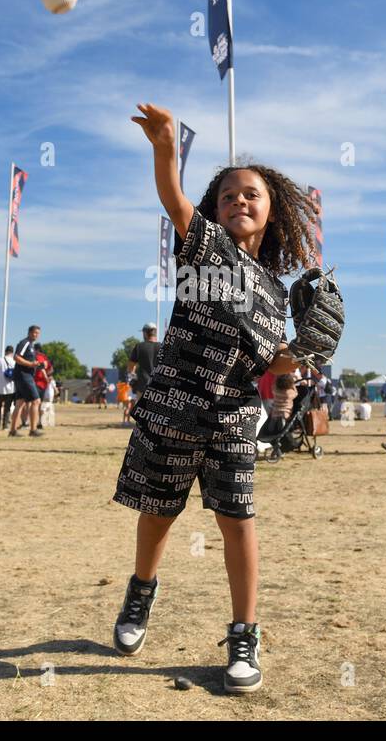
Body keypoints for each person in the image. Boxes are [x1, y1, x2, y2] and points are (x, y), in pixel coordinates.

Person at [112, 102, 318, 695]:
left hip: (230, 418)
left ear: (272, 210)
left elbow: (274, 363)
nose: (239, 201)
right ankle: (140, 595)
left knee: (238, 521)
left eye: (251, 194)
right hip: (175, 405)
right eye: (228, 195)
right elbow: (174, 198)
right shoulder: (204, 247)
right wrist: (164, 149)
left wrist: (302, 357)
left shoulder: (278, 295)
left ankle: (245, 634)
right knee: (158, 511)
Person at [9, 325, 43, 438]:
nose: (36, 335)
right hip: (24, 376)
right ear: (29, 332)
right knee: (36, 401)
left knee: (20, 403)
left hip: (22, 375)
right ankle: (33, 429)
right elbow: (17, 357)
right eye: (34, 333)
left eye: (38, 333)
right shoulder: (25, 343)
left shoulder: (31, 345)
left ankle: (13, 430)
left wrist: (36, 364)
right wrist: (31, 364)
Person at [127, 322, 161, 419]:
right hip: (158, 386)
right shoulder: (163, 347)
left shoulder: (139, 347)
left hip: (142, 386)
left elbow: (130, 366)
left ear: (145, 333)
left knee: (143, 412)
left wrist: (132, 376)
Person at [0, 345, 17, 430]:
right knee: (7, 408)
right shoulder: (15, 362)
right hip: (11, 388)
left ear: (5, 351)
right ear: (12, 352)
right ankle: (5, 425)